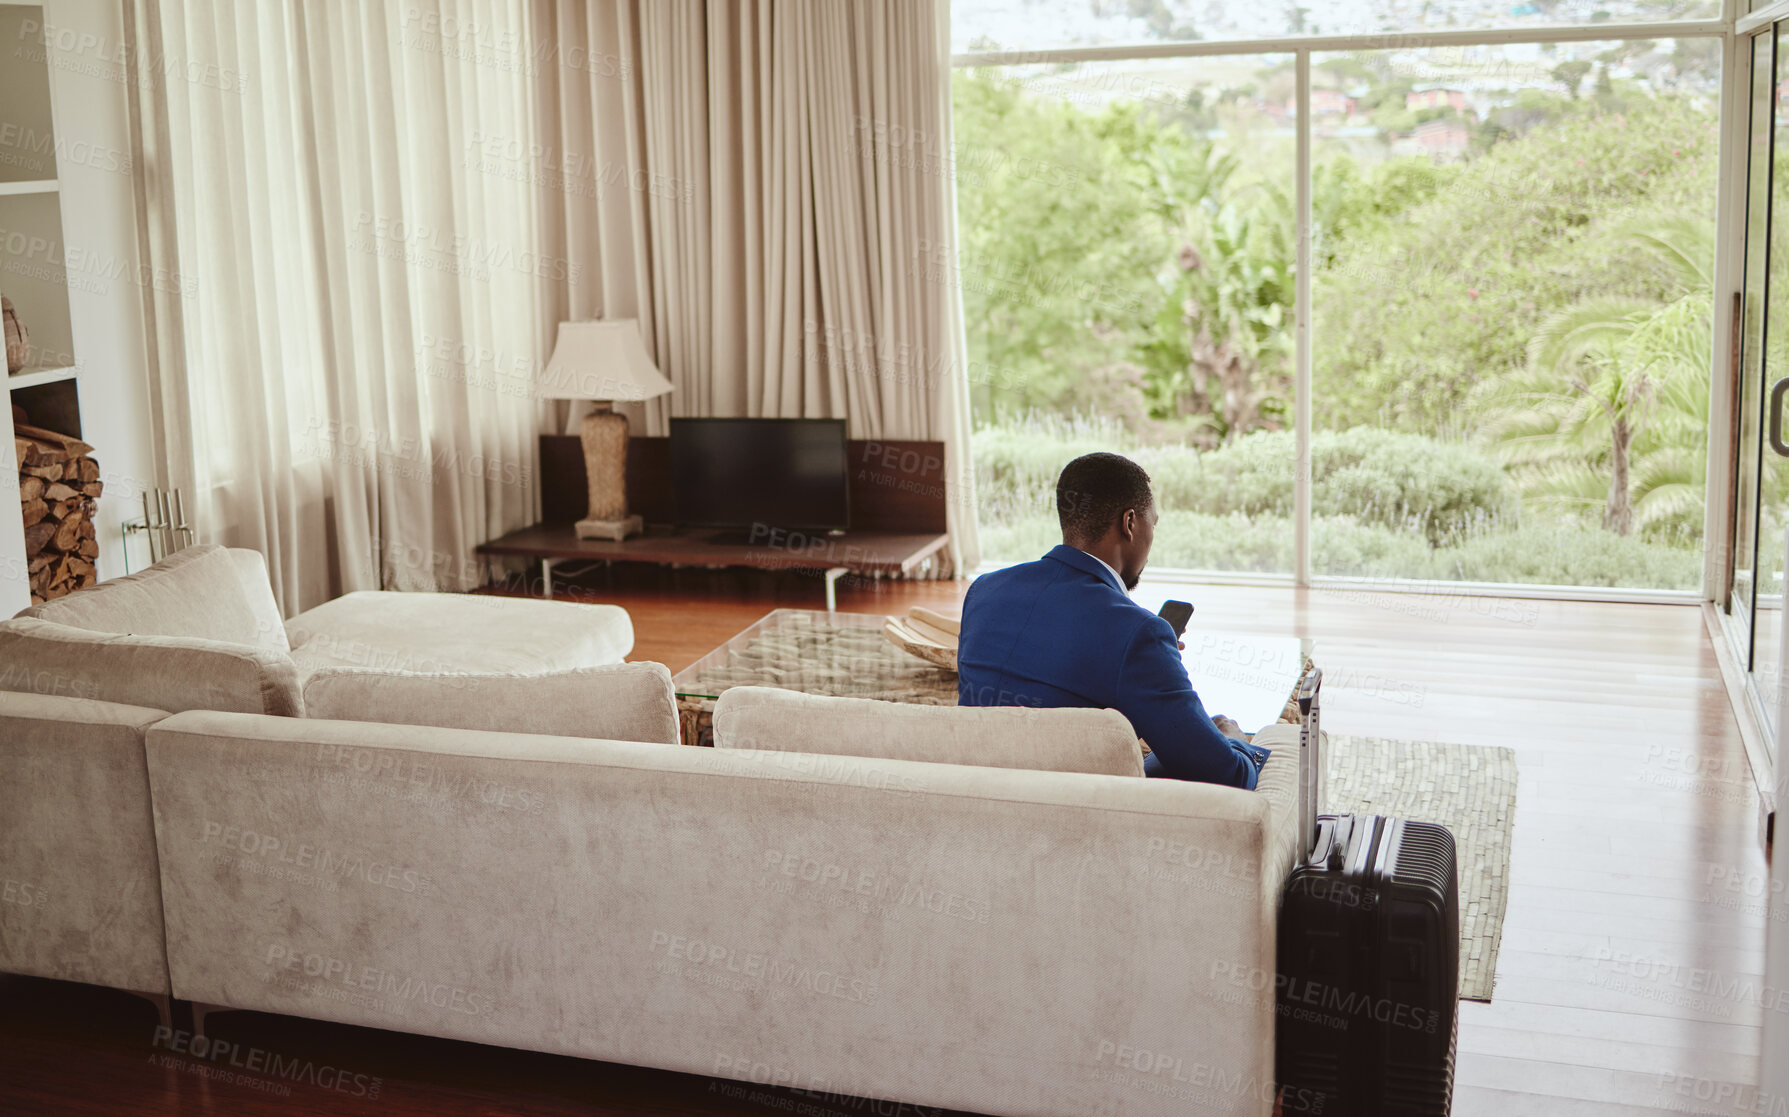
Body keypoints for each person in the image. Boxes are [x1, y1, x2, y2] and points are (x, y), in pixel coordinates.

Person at [956, 452, 1270, 789]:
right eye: (1154, 522)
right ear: (1130, 523)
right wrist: (1235, 739)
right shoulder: (1140, 634)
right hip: (1077, 819)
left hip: (979, 799)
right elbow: (1228, 777)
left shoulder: (983, 591)